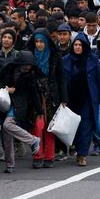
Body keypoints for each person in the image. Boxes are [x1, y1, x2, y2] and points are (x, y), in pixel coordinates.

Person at [62, 34, 100, 167]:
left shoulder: (92, 59)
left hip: (88, 99)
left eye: (80, 45)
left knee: (85, 127)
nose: (77, 47)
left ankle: (82, 155)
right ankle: (76, 149)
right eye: (75, 45)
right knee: (74, 128)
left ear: (85, 46)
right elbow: (61, 81)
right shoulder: (66, 60)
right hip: (71, 100)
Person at [0, 51, 42, 173]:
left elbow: (34, 93)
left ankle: (33, 140)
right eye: (26, 65)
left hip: (20, 105)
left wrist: (39, 111)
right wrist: (6, 88)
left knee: (7, 125)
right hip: (5, 103)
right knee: (6, 134)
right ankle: (10, 164)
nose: (28, 68)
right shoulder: (8, 69)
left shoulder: (31, 75)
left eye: (30, 65)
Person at [27, 29, 67, 168]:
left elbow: (61, 78)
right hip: (35, 96)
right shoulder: (30, 56)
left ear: (47, 42)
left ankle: (49, 157)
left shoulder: (55, 56)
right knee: (37, 127)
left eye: (42, 42)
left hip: (52, 96)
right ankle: (38, 156)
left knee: (50, 127)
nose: (39, 45)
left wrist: (64, 99)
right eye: (37, 41)